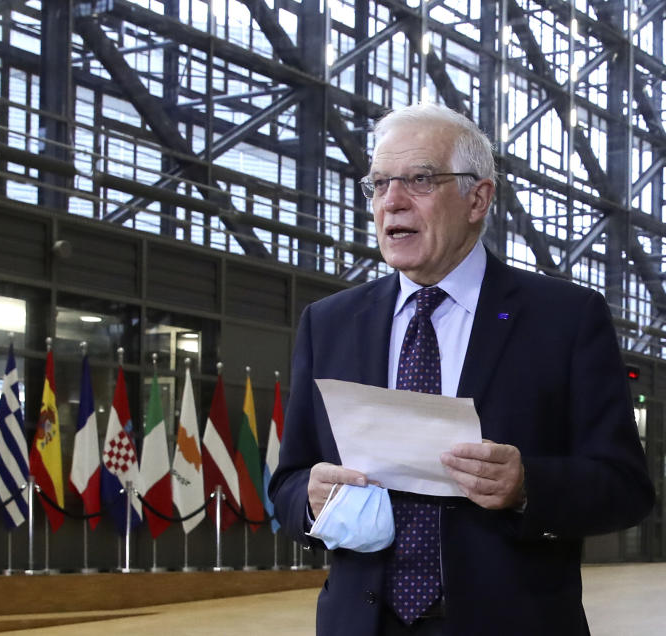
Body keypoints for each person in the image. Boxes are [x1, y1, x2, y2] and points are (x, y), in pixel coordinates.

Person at [267, 102, 654, 636]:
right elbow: (287, 482)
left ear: (478, 198)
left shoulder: (564, 319)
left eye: (419, 180)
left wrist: (526, 486)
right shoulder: (328, 323)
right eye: (379, 184)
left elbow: (625, 487)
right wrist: (308, 498)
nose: (392, 202)